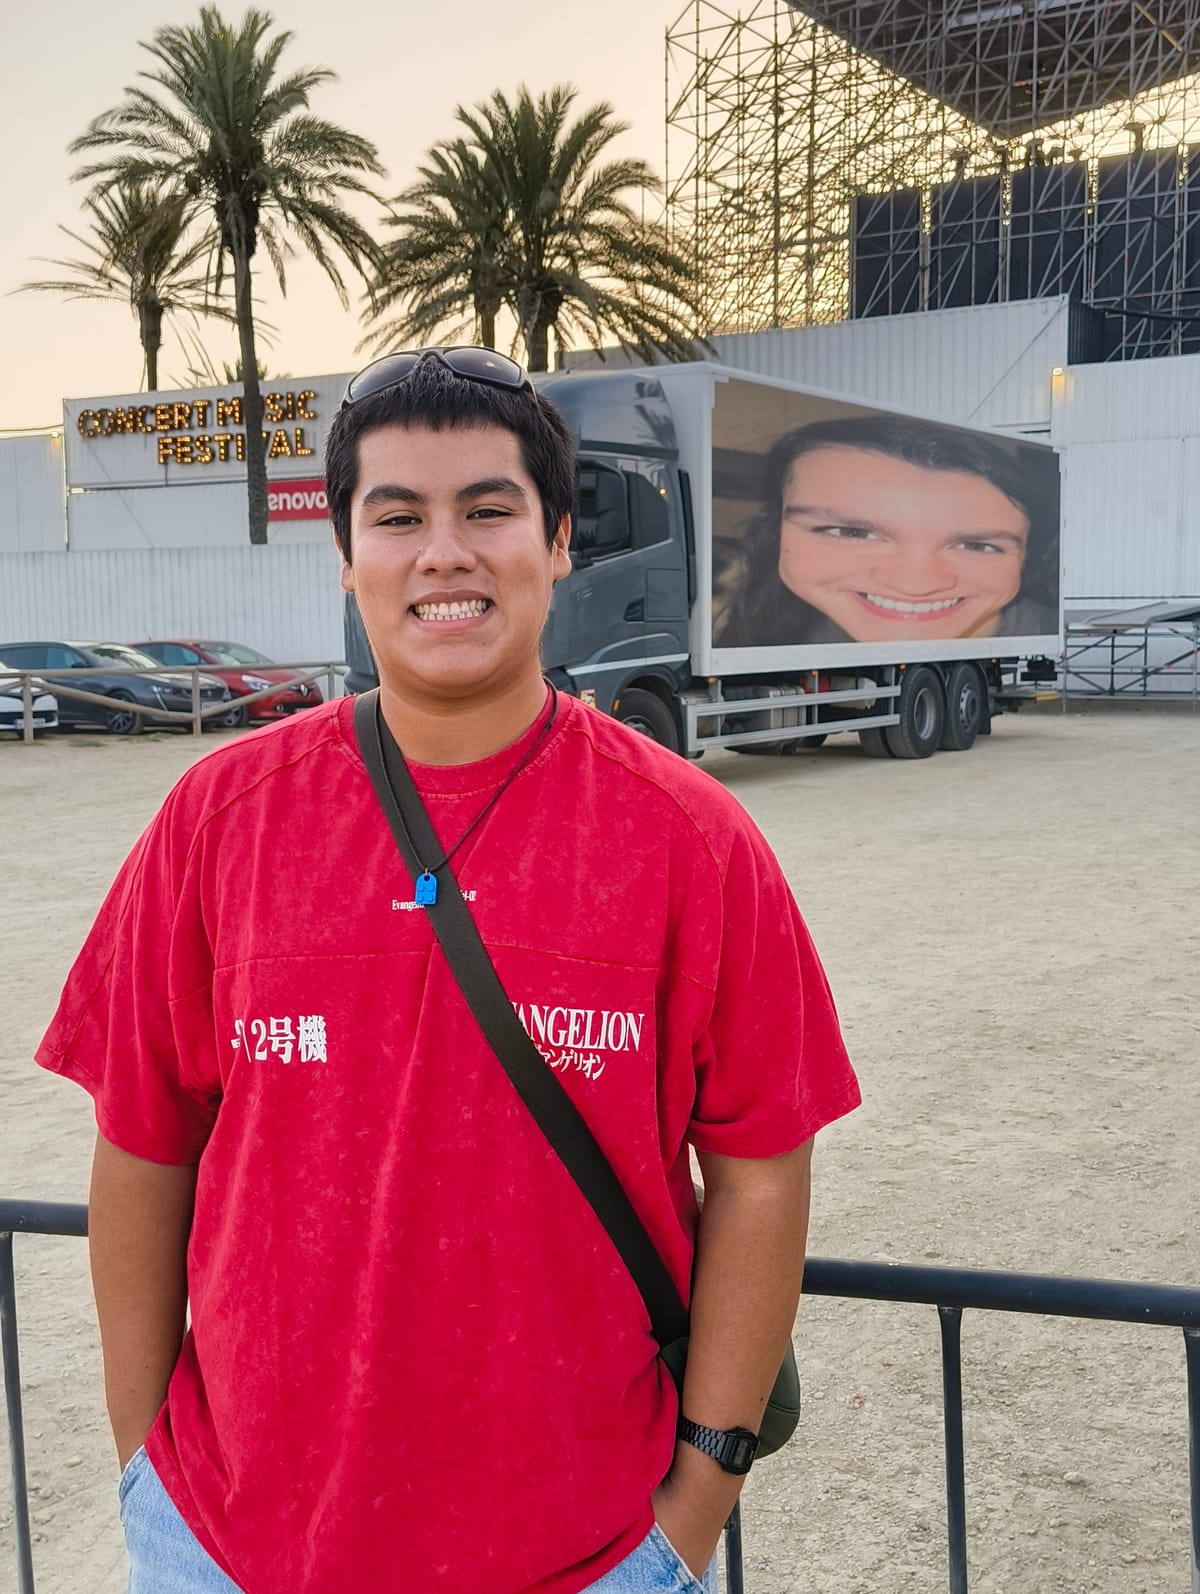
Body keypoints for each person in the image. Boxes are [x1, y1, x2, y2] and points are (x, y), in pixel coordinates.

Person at [36, 347, 860, 1594]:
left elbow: (762, 1168)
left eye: (488, 509)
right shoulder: (220, 821)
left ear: (560, 540)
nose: (444, 554)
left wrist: (698, 1497)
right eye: (397, 517)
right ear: (345, 554)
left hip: (587, 1555)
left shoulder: (691, 840)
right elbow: (143, 1143)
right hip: (228, 1547)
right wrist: (147, 1463)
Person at [714, 414, 1060, 648]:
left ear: (1027, 555)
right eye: (850, 533)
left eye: (975, 545)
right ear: (777, 533)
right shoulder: (763, 622)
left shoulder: (1046, 633)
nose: (915, 584)